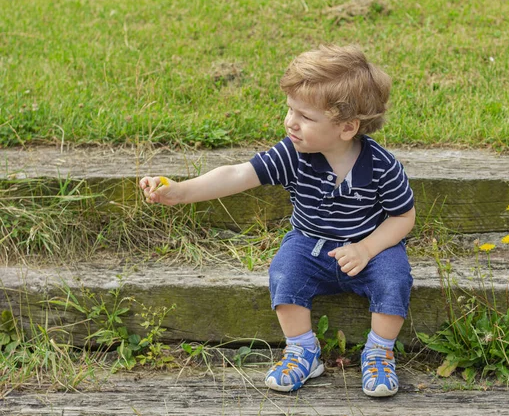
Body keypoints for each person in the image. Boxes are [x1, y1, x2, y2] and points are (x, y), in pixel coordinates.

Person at [139, 44, 415, 397]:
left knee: (395, 277)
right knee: (285, 270)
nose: (290, 122)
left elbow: (403, 216)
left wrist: (366, 248)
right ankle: (303, 349)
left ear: (348, 127)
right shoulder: (292, 153)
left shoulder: (381, 166)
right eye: (289, 109)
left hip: (371, 246)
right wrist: (179, 191)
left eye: (306, 117)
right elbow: (238, 174)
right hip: (310, 243)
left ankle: (378, 351)